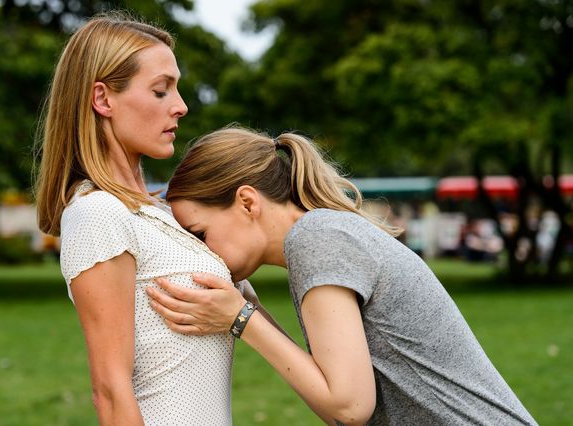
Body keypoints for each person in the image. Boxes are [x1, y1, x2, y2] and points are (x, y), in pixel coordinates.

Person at [146, 126, 538, 425]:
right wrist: (251, 310)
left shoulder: (315, 237)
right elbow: (340, 408)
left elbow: (350, 407)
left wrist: (241, 319)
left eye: (200, 234)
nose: (203, 252)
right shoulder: (321, 235)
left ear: (247, 202)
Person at [34, 13, 267, 425]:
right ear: (103, 99)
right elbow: (110, 390)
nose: (181, 106)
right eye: (161, 91)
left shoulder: (159, 212)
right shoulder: (97, 213)